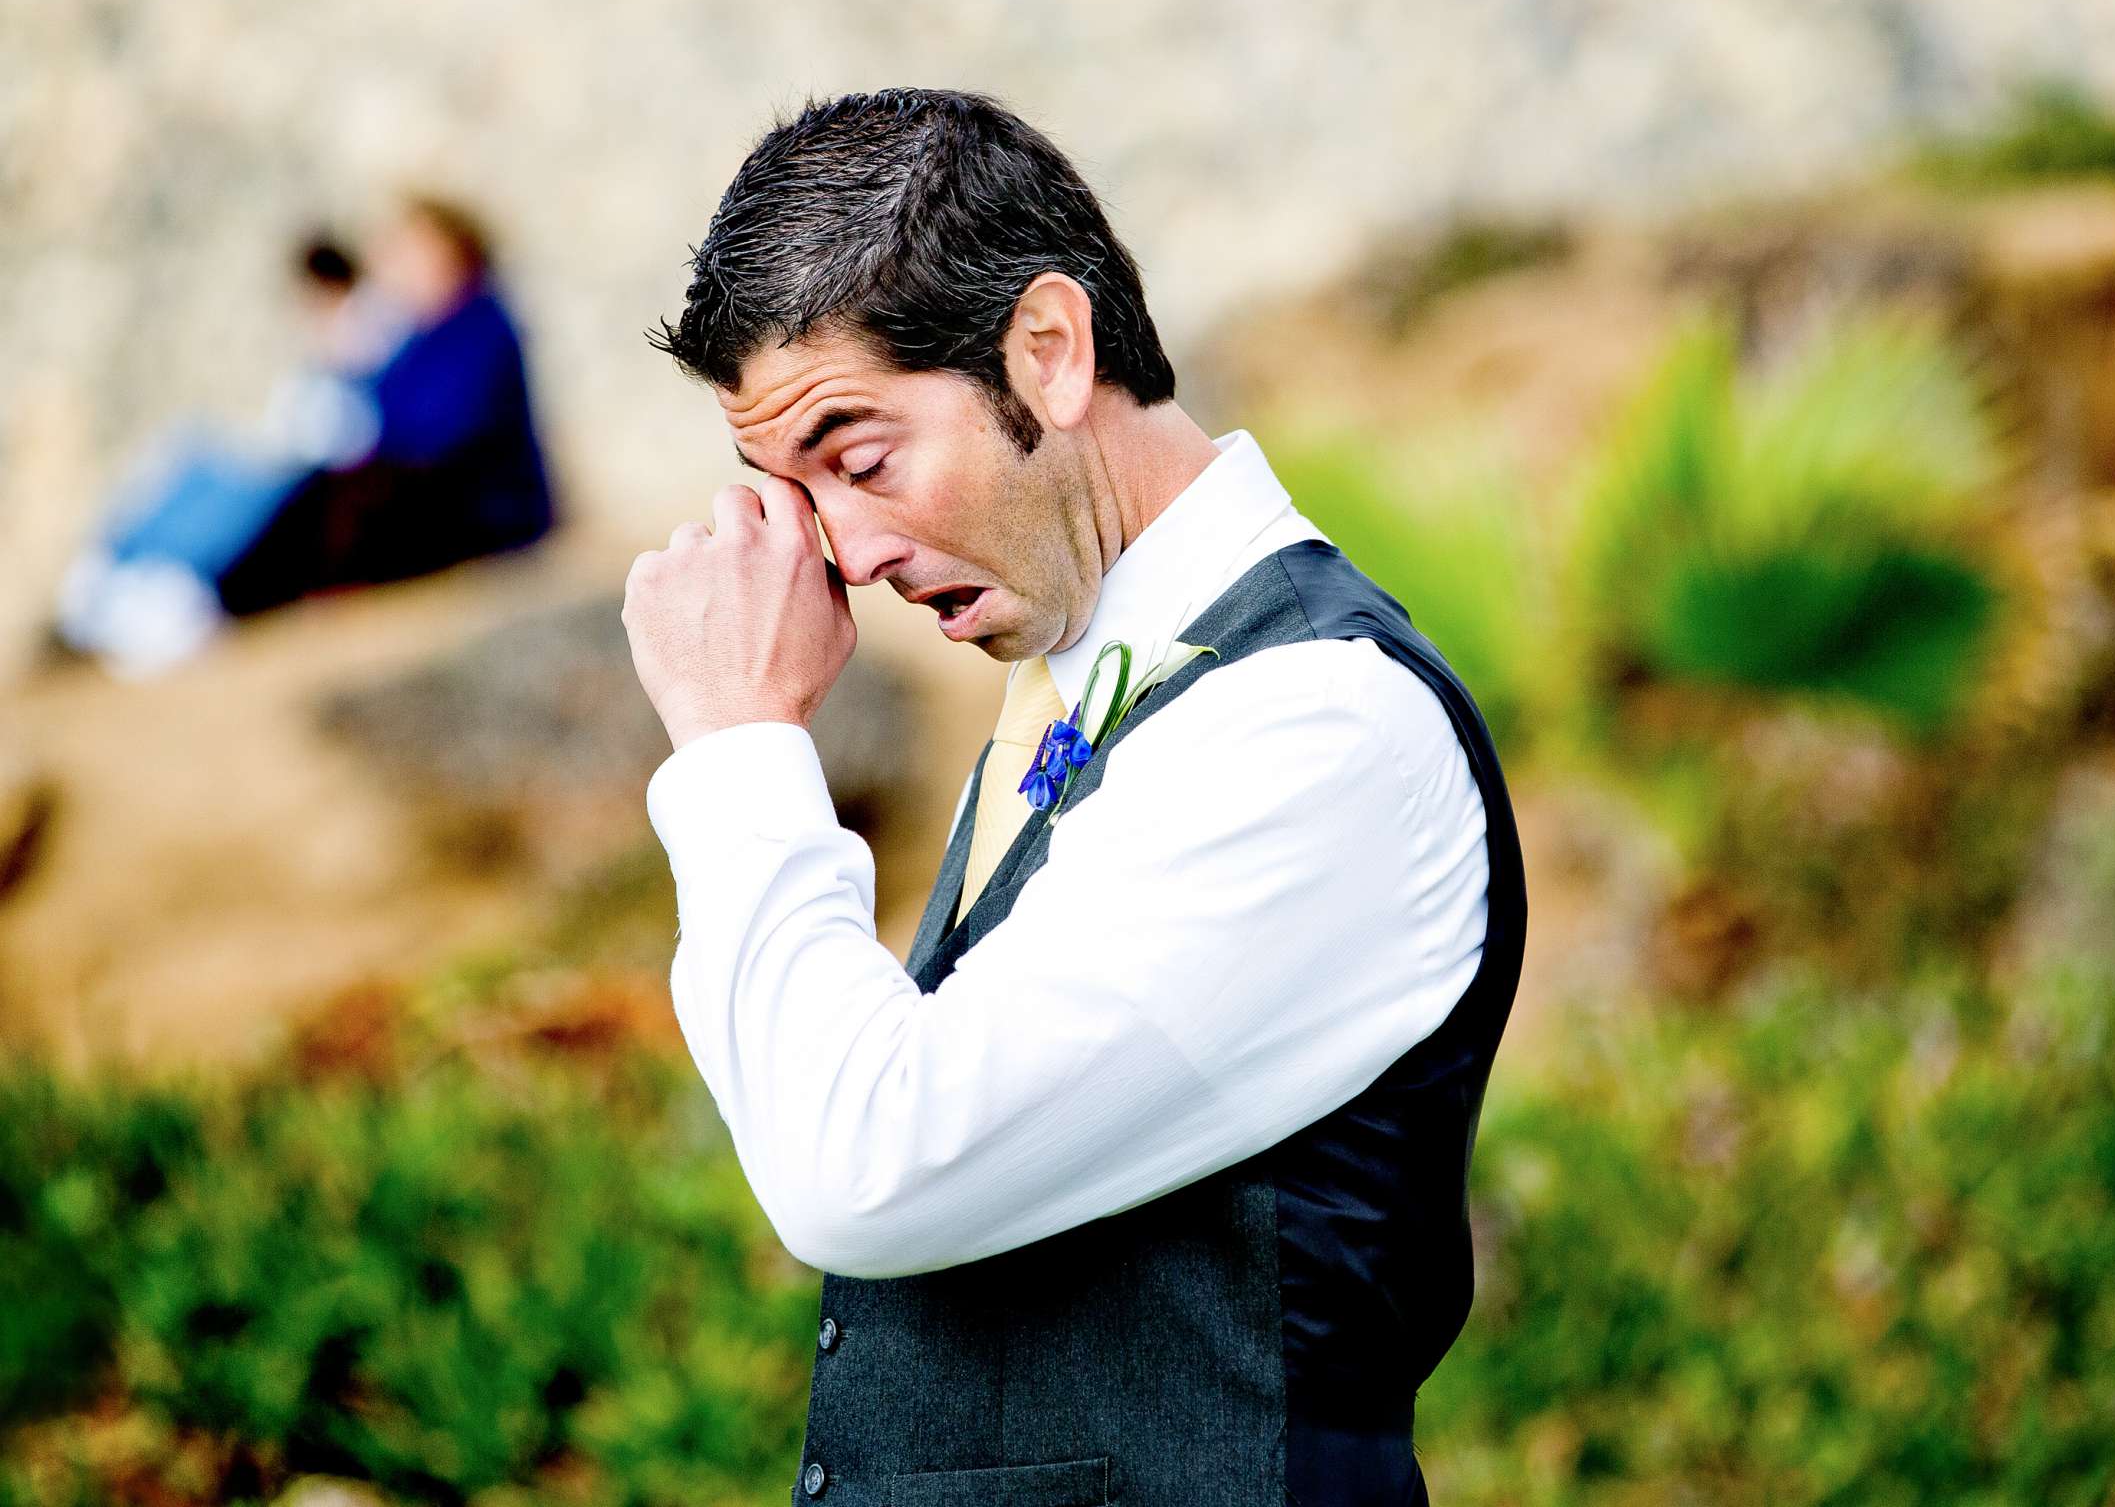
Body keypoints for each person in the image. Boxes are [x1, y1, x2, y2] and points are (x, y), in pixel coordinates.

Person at [622, 89, 1525, 1507]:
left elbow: (866, 1161)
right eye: (797, 497)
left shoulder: (1312, 724)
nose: (843, 551)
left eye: (859, 460)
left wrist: (739, 743)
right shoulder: (1076, 682)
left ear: (1047, 349)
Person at [53, 234, 398, 676]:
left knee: (207, 481)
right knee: (188, 454)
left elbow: (345, 428)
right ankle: (124, 567)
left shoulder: (368, 333)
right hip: (290, 460)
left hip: (305, 469)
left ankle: (152, 578)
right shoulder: (342, 339)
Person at [213, 194, 556, 617]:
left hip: (483, 511)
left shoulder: (479, 326)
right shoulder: (418, 335)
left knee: (339, 500)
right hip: (442, 498)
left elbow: (437, 434)